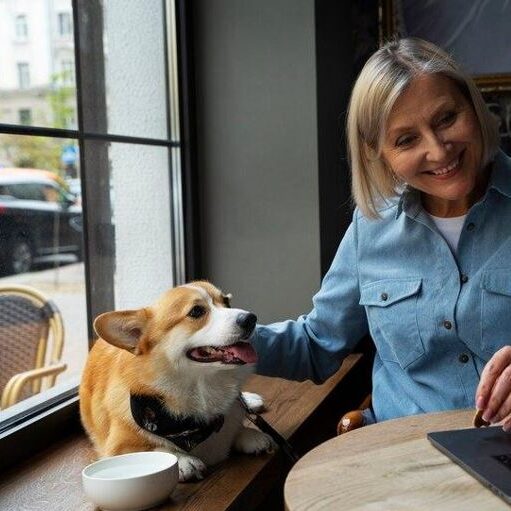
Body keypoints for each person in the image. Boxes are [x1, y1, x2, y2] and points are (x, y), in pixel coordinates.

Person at [251, 37, 511, 430]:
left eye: (446, 119)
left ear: (473, 107)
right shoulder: (369, 230)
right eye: (407, 140)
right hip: (400, 459)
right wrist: (214, 338)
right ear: (378, 153)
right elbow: (317, 345)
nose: (439, 151)